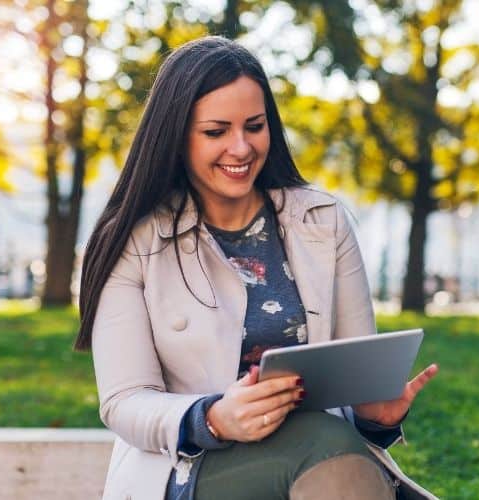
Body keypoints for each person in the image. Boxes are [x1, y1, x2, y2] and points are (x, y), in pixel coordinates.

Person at [74, 36, 439, 500]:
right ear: (175, 136)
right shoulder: (133, 242)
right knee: (329, 449)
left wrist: (376, 415)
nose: (241, 147)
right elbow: (125, 402)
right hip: (191, 467)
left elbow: (354, 374)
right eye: (216, 131)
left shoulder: (322, 223)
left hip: (325, 454)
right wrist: (212, 417)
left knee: (330, 448)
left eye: (255, 126)